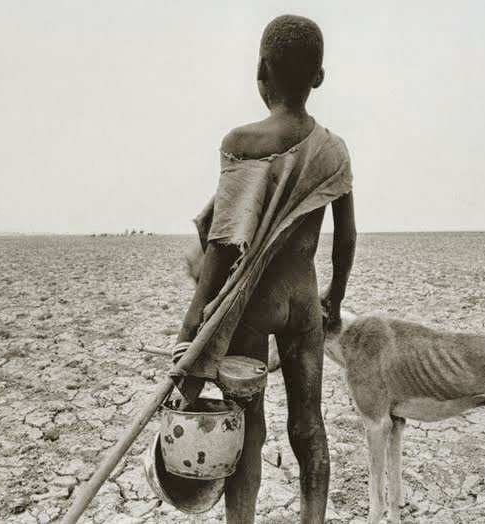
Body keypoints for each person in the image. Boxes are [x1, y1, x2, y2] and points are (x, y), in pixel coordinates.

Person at [174, 14, 356, 524]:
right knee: (309, 426)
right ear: (318, 77)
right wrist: (334, 300)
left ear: (261, 71)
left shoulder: (243, 142)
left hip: (250, 307)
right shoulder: (334, 150)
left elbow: (224, 240)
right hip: (303, 301)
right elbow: (345, 238)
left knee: (247, 430)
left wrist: (196, 317)